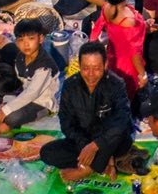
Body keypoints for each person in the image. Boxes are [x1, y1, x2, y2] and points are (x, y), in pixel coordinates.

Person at [28, 41, 134, 182]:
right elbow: (66, 122)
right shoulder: (70, 85)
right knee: (47, 153)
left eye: (96, 68)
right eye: (85, 68)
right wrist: (85, 145)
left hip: (109, 141)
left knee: (119, 134)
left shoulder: (116, 84)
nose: (91, 74)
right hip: (83, 139)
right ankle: (104, 162)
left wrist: (96, 145)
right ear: (79, 65)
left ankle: (89, 169)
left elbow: (121, 121)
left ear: (106, 65)